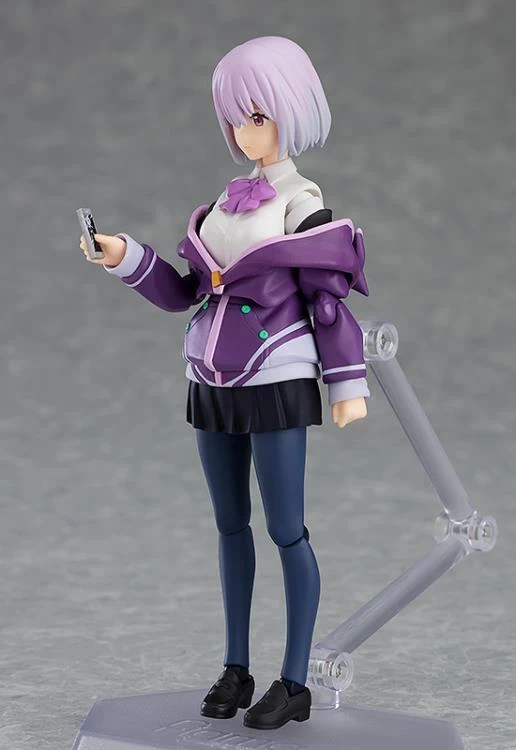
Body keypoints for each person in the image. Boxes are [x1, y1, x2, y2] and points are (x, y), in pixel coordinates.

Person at [79, 35, 370, 731]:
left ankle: (293, 681)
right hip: (210, 376)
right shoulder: (224, 203)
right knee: (229, 525)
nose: (244, 132)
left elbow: (327, 302)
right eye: (236, 119)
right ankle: (236, 668)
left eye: (257, 117)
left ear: (291, 113)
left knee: (286, 529)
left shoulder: (302, 202)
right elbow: (187, 291)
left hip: (275, 375)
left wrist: (346, 384)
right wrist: (124, 256)